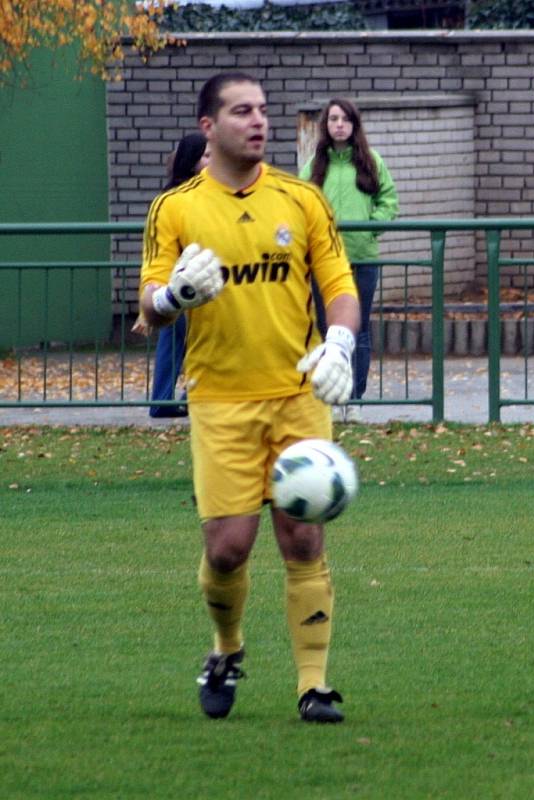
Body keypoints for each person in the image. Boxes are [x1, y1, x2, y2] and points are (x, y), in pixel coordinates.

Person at [139, 72, 359, 723]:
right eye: (242, 111)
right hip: (220, 403)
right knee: (227, 549)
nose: (258, 121)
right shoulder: (175, 208)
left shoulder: (303, 199)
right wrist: (172, 297)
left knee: (303, 541)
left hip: (297, 397)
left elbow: (340, 287)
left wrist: (340, 344)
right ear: (209, 127)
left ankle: (313, 685)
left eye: (263, 109)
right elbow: (145, 311)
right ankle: (226, 649)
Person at [299, 98, 399, 423]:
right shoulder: (315, 164)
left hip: (362, 258)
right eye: (333, 119)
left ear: (354, 124)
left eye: (344, 119)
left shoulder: (371, 161)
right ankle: (333, 396)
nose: (338, 125)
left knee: (360, 329)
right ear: (326, 125)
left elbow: (389, 199)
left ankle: (355, 398)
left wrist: (373, 227)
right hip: (325, 261)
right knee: (329, 329)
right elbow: (300, 202)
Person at [149, 133, 210, 417]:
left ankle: (177, 399)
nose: (213, 163)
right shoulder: (174, 200)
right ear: (192, 162)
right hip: (180, 281)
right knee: (176, 340)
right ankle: (167, 401)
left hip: (200, 281)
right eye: (207, 157)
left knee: (185, 342)